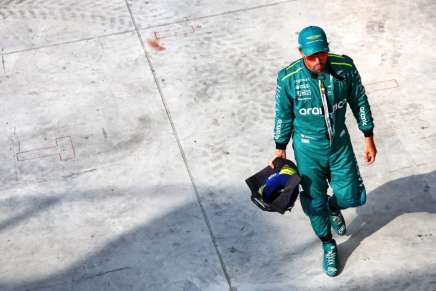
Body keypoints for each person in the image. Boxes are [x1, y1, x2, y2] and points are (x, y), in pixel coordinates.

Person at [269, 26, 377, 277]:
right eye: (311, 57)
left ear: (328, 48)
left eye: (322, 54)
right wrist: (279, 148)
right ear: (300, 53)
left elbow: (359, 100)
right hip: (307, 151)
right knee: (313, 203)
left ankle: (333, 206)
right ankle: (328, 244)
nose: (318, 61)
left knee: (352, 197)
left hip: (340, 145)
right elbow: (282, 115)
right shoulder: (288, 78)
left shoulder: (345, 67)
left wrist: (368, 136)